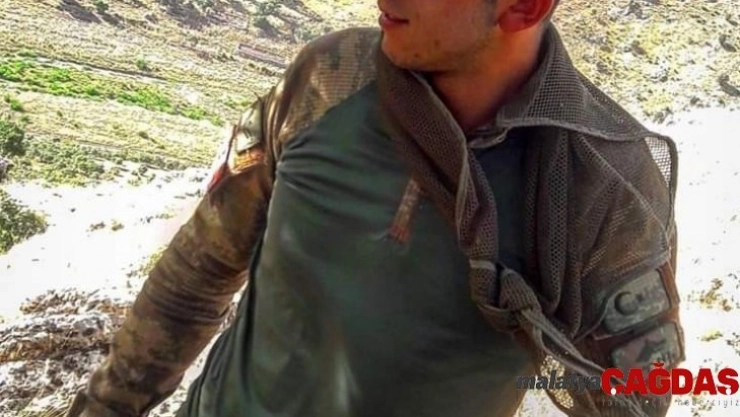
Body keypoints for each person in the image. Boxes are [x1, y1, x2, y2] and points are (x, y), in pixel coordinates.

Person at [65, 0, 684, 416]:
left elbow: (634, 397)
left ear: (524, 7)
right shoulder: (329, 77)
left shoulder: (602, 182)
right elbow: (196, 273)